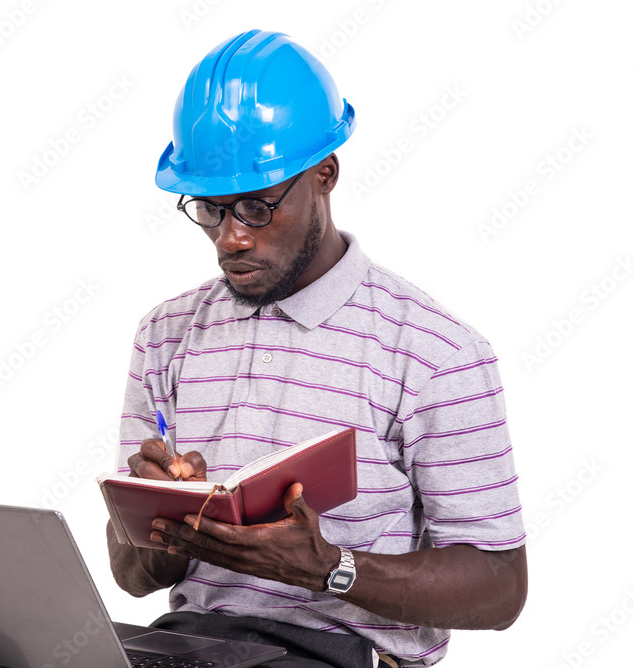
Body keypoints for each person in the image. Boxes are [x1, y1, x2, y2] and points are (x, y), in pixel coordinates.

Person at [106, 30, 527, 668]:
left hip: (343, 655)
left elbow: (500, 592)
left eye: (255, 206)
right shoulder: (166, 335)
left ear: (325, 175)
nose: (231, 239)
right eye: (211, 211)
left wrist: (329, 569)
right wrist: (160, 519)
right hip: (188, 647)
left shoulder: (436, 349)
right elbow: (134, 579)